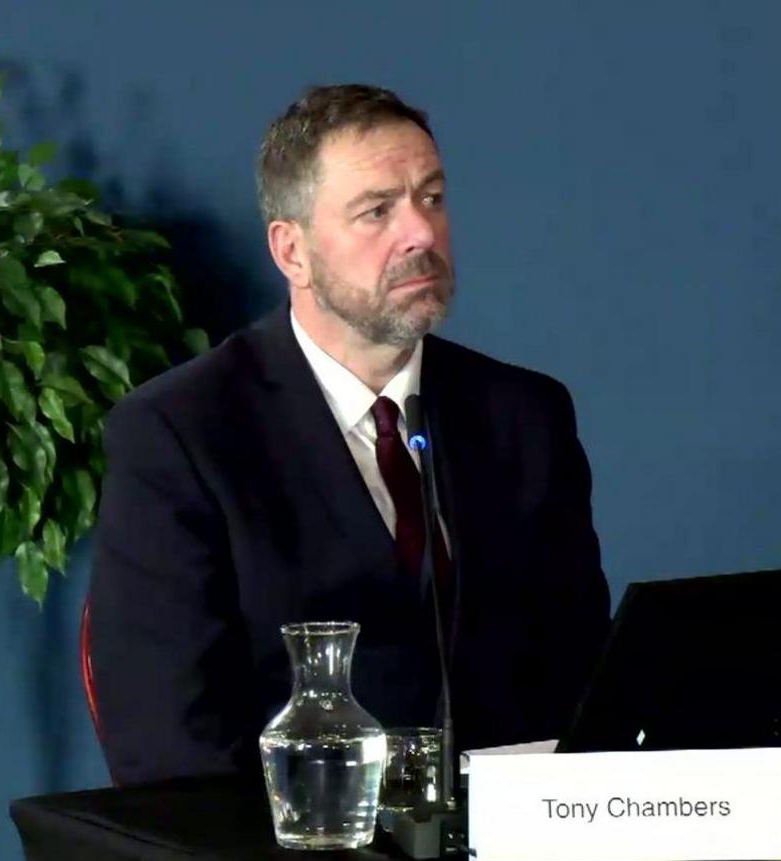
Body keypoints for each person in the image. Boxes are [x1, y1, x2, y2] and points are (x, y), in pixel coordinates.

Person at [86, 85, 610, 785]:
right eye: (377, 211)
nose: (421, 233)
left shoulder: (525, 414)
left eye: (432, 197)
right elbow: (169, 747)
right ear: (292, 251)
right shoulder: (181, 434)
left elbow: (580, 682)